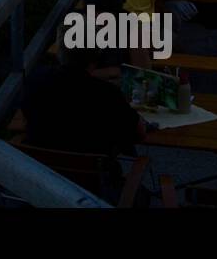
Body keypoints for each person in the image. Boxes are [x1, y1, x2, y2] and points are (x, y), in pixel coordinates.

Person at [20, 34, 147, 203]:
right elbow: (139, 134)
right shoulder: (107, 95)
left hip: (41, 179)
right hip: (95, 188)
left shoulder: (35, 81)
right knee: (141, 195)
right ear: (96, 56)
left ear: (60, 52)